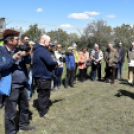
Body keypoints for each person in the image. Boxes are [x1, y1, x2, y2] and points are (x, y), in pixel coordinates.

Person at [0, 29, 35, 134]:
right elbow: (1, 67)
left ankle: (23, 126)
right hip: (11, 86)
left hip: (23, 84)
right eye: (16, 39)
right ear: (9, 40)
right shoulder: (1, 51)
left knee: (24, 108)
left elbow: (29, 62)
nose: (19, 41)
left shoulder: (18, 49)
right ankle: (10, 131)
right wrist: (14, 59)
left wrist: (27, 55)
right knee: (10, 113)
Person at [32, 35, 58, 118]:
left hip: (38, 75)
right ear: (43, 41)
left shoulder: (36, 49)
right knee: (44, 94)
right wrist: (57, 63)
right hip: (43, 76)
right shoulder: (42, 50)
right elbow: (50, 62)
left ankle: (42, 109)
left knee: (41, 93)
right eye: (49, 42)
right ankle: (43, 112)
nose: (49, 43)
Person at [20, 34, 33, 101]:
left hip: (29, 66)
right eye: (26, 39)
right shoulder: (20, 47)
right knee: (24, 82)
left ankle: (28, 97)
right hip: (23, 68)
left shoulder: (29, 46)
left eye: (28, 39)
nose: (28, 40)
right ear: (22, 39)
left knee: (29, 82)